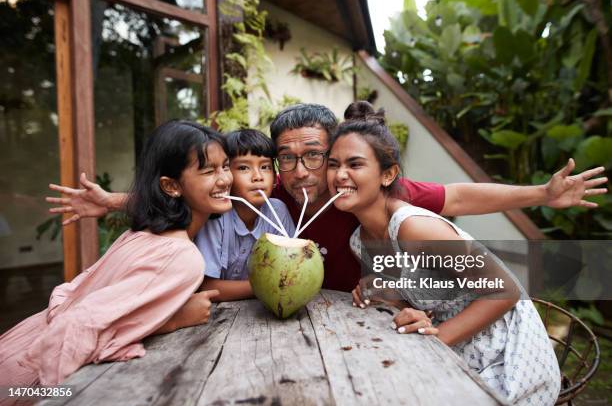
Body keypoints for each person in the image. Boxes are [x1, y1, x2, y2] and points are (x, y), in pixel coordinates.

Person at [46, 104, 608, 292]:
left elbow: (459, 194)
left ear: (335, 152)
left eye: (314, 154)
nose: (298, 170)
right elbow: (208, 193)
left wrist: (541, 193)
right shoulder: (275, 204)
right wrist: (119, 200)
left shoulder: (364, 194)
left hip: (405, 316)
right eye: (284, 157)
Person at [331, 102, 560, 405]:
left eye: (355, 164)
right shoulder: (359, 241)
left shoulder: (415, 229)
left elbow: (505, 290)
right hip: (454, 348)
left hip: (507, 357)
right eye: (333, 164)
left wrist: (436, 336)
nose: (340, 175)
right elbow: (425, 295)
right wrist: (386, 294)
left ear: (388, 175)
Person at [0, 120, 229, 391]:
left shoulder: (140, 235)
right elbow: (75, 329)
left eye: (226, 166)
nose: (225, 179)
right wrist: (172, 319)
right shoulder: (181, 257)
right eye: (208, 170)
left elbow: (77, 300)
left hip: (16, 346)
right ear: (171, 186)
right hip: (31, 375)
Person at [195, 129, 295, 301]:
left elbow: (293, 268)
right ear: (226, 173)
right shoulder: (216, 216)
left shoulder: (278, 211)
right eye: (243, 168)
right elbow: (207, 287)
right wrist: (267, 286)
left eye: (265, 167)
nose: (257, 177)